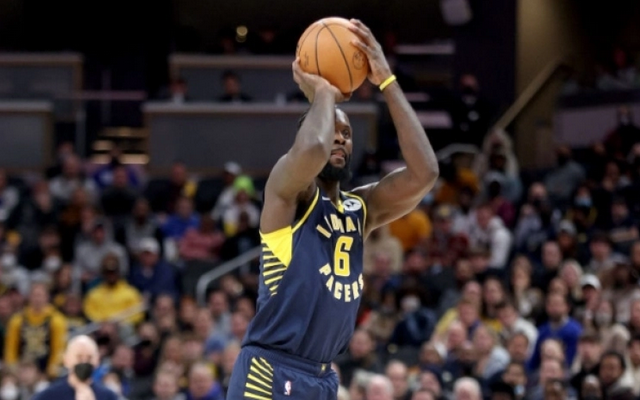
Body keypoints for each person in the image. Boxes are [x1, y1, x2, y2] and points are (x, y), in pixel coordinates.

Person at [226, 19, 439, 400]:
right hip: (270, 369)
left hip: (322, 376)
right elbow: (311, 149)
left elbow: (425, 173)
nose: (339, 138)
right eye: (333, 131)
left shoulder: (361, 208)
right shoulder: (287, 193)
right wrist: (324, 93)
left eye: (347, 134)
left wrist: (387, 81)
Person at [32, 335, 117, 400]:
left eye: (89, 357)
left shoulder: (108, 396)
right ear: (66, 360)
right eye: (79, 357)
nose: (84, 362)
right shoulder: (48, 396)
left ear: (97, 360)